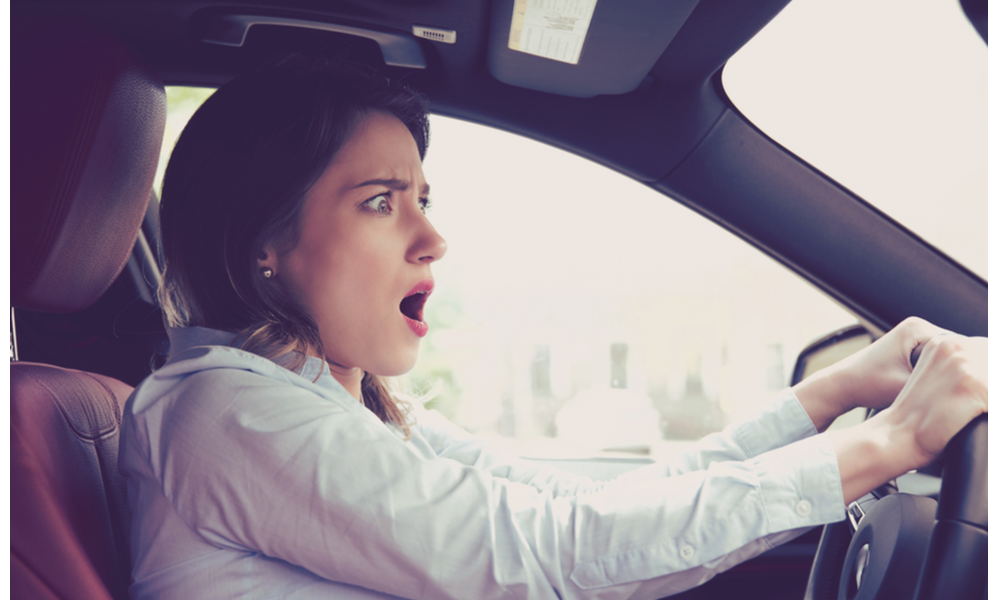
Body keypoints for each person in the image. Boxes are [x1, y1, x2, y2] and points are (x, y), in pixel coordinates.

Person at [119, 56, 987, 600]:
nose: (432, 237)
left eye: (423, 198)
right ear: (264, 243)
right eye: (381, 203)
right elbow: (547, 558)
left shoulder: (339, 404)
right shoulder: (228, 414)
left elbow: (579, 508)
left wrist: (832, 393)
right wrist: (891, 443)